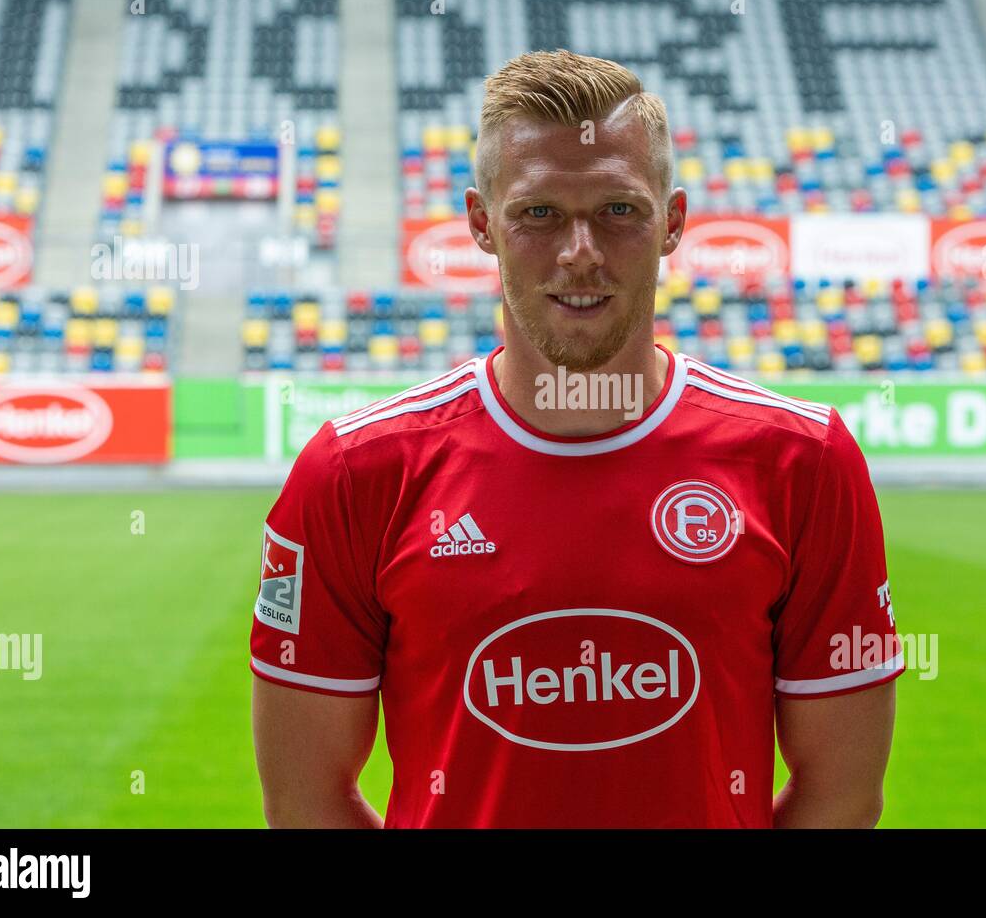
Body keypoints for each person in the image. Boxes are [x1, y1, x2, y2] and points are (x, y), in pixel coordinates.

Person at [250, 49, 903, 828]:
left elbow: (843, 796)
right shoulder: (355, 472)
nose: (580, 252)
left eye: (618, 211)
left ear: (674, 222)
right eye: (539, 213)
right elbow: (304, 802)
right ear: (481, 224)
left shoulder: (803, 460)